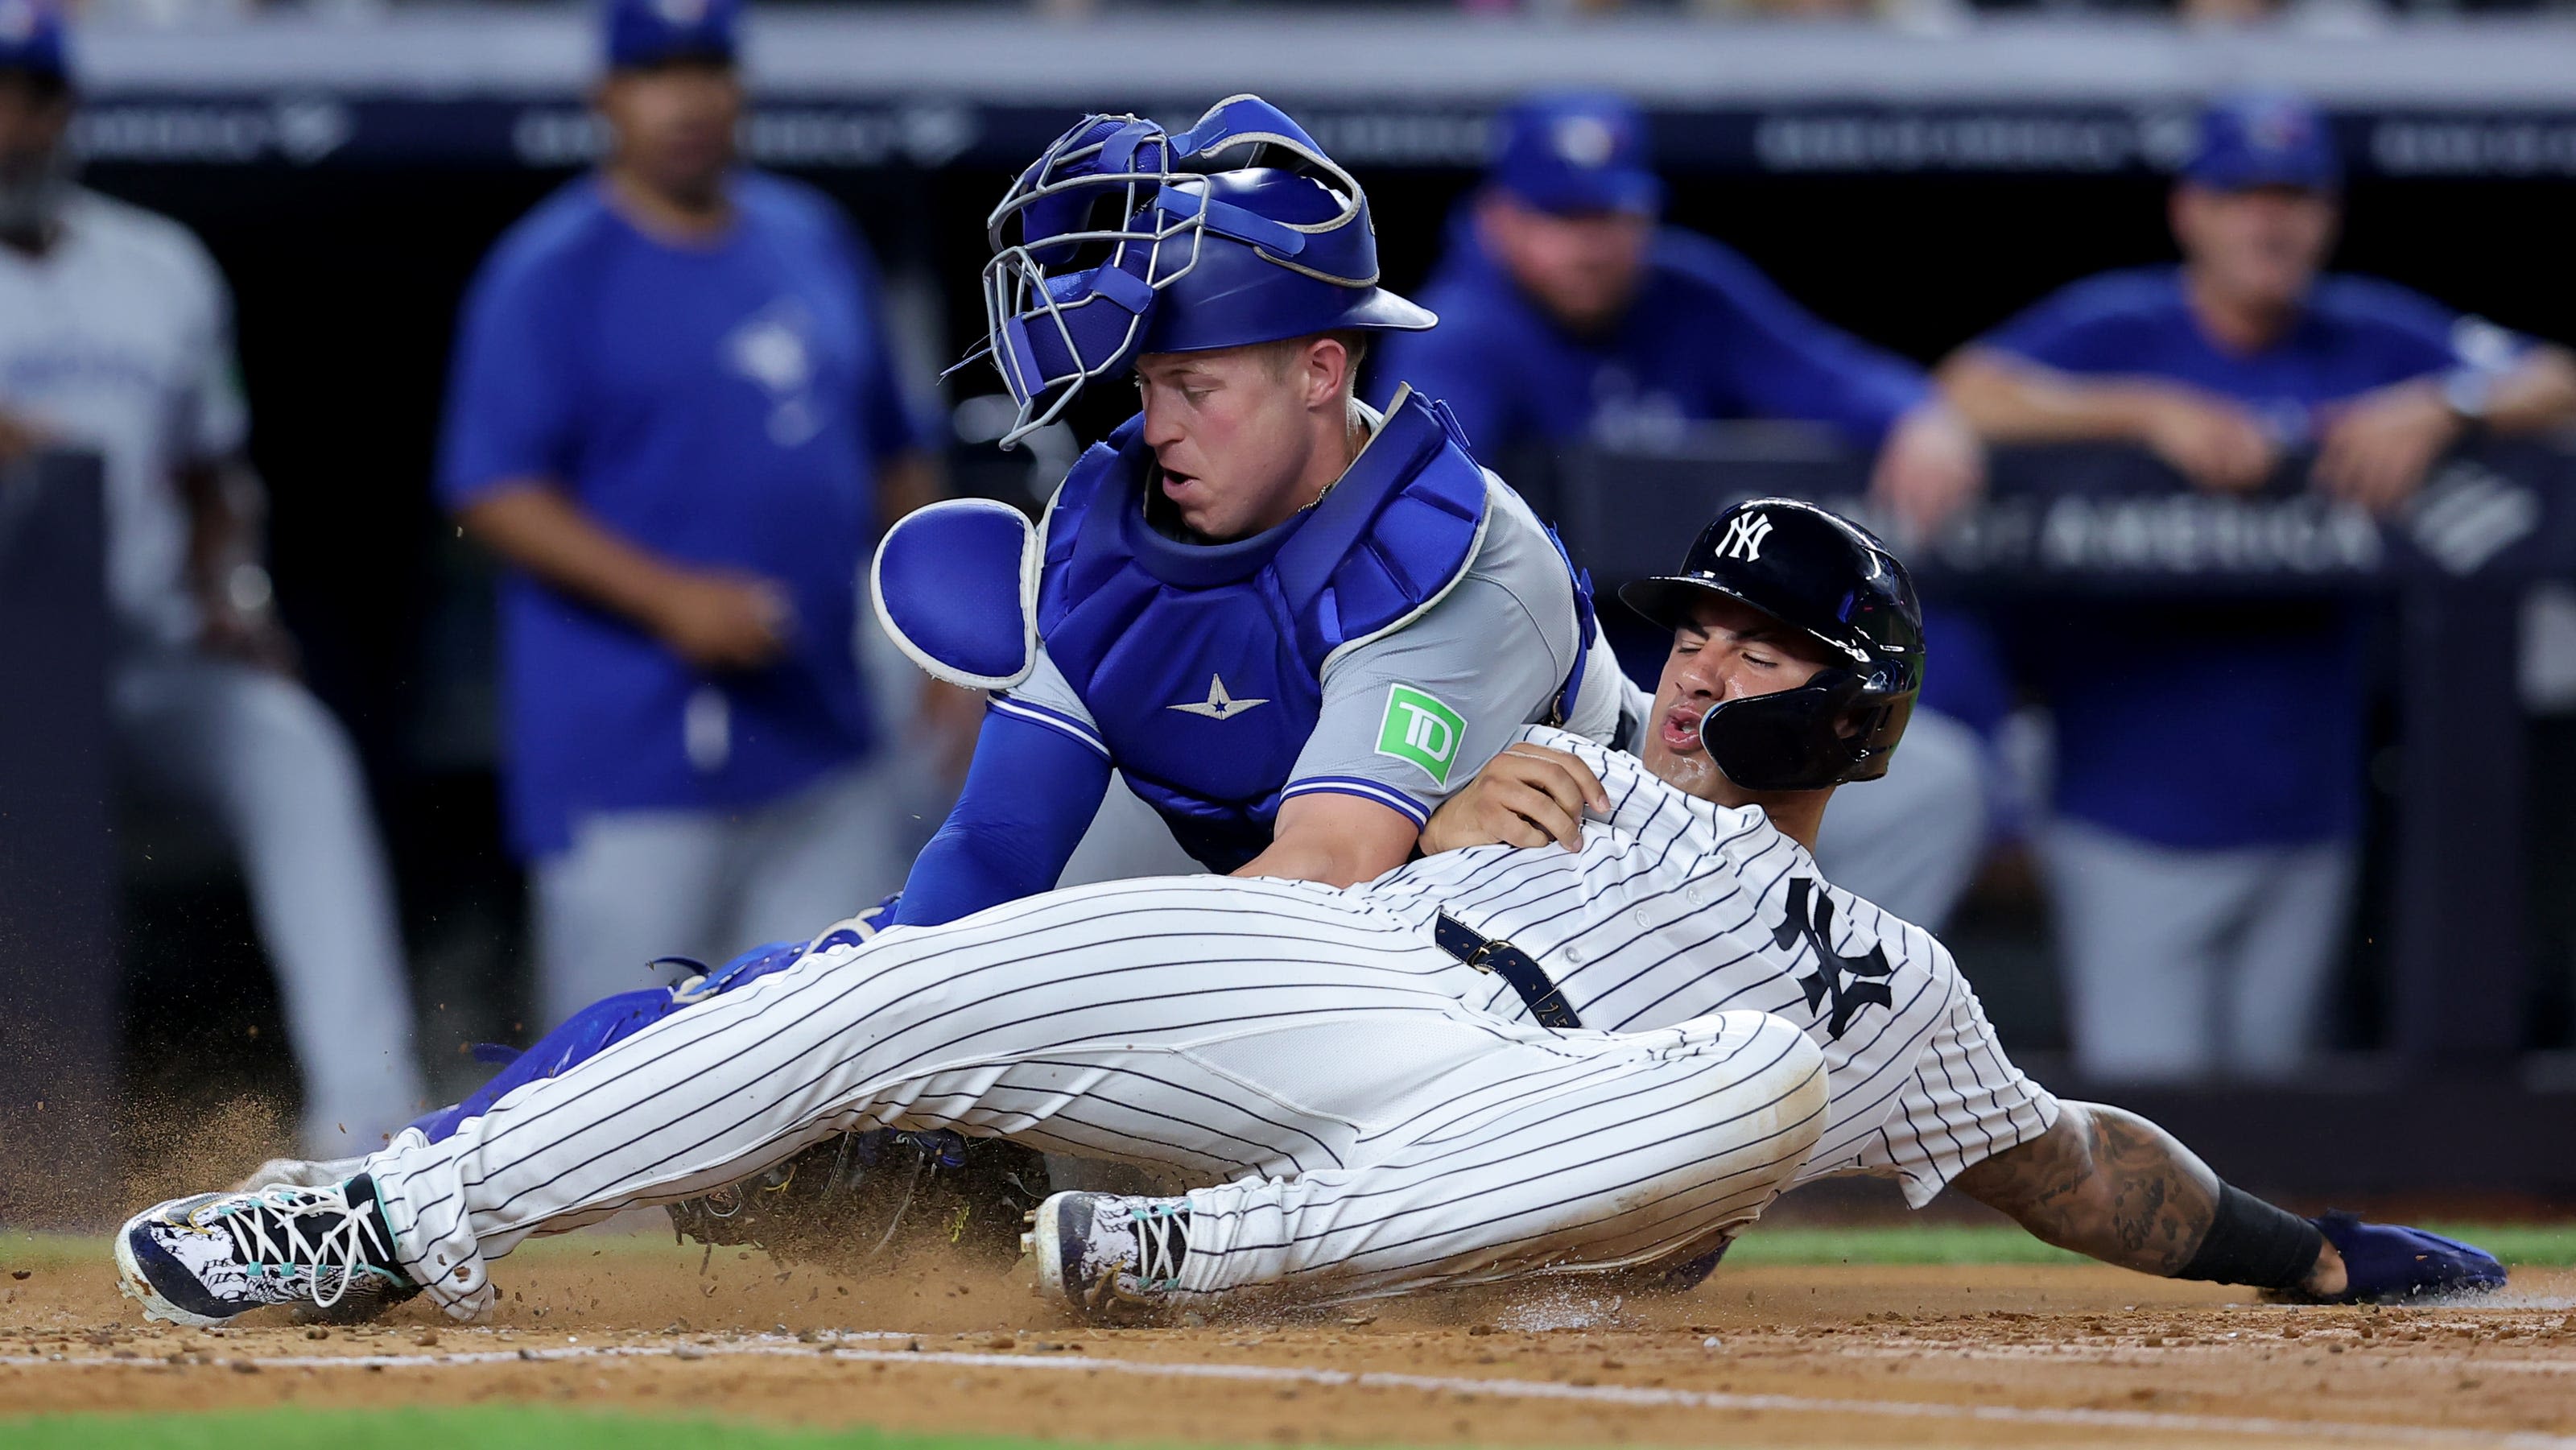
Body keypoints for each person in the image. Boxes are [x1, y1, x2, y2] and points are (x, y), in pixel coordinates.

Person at [114, 500, 2499, 1328]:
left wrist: (2315, 1255)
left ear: (1851, 713)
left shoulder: (1893, 980)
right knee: (891, 979)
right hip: (1346, 984)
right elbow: (1335, 786)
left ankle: (1154, 1256)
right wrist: (1437, 829)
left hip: (1532, 1123)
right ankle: (384, 1211)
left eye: (1754, 646)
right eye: (1686, 626)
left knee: (1757, 1086)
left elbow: (2084, 1166)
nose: (1694, 660)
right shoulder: (1553, 757)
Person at [1937, 90, 2576, 1082]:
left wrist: (2443, 404)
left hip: (2309, 811)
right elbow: (1963, 391)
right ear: (2190, 211)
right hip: (2127, 811)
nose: (2267, 220)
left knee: (2280, 1120)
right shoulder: (2121, 323)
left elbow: (2552, 378)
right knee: (2151, 1122)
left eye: (2293, 196)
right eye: (2241, 196)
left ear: (2326, 214)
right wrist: (2141, 411)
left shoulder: (2367, 333)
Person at [877, 94, 1629, 930]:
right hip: (1336, 954)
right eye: (1147, 385)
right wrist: (893, 975)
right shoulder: (1111, 523)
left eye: (1194, 390)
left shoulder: (1457, 557)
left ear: (1318, 373)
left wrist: (1041, 990)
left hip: (1601, 954)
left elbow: (1323, 870)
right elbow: (994, 845)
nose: (1156, 430)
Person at [1370, 90, 1992, 932]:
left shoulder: (1683, 292)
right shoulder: (1458, 336)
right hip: (1562, 709)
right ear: (1495, 220)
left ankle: (1810, 993)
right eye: (1562, 216)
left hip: (1711, 694)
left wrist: (1918, 414)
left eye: (1612, 216)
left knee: (1934, 782)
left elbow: (1831, 373)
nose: (1593, 244)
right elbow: (1429, 552)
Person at [435, 0, 942, 1027]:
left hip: (821, 732)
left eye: (707, 67)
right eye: (657, 71)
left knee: (835, 1059)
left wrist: (943, 637)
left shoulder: (809, 234)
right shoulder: (550, 271)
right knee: (621, 1085)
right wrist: (671, 598)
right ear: (607, 97)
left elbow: (896, 453)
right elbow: (492, 488)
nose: (688, 98)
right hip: (630, 751)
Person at [0, 4, 424, 1155]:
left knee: (297, 753)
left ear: (65, 111)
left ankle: (367, 1126)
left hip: (144, 651)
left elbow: (212, 477)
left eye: (31, 95)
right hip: (9, 676)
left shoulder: (159, 265)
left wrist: (236, 595)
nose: (11, 122)